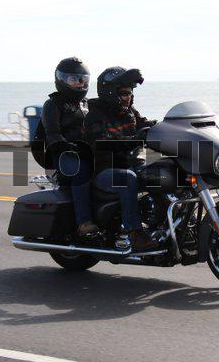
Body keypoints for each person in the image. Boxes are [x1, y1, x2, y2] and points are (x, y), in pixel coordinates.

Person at [83, 66, 157, 251]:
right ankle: (135, 233)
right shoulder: (95, 115)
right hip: (104, 170)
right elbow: (103, 143)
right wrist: (134, 139)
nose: (128, 97)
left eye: (130, 92)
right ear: (110, 92)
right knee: (127, 179)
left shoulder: (129, 111)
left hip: (132, 164)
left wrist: (167, 127)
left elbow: (146, 124)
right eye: (124, 93)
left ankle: (161, 223)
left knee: (161, 173)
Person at [42, 57, 98, 237]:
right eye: (74, 79)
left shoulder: (87, 104)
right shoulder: (53, 104)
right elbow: (52, 134)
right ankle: (84, 222)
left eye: (83, 79)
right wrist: (70, 148)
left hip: (87, 152)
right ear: (61, 79)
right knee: (81, 172)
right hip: (63, 155)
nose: (80, 83)